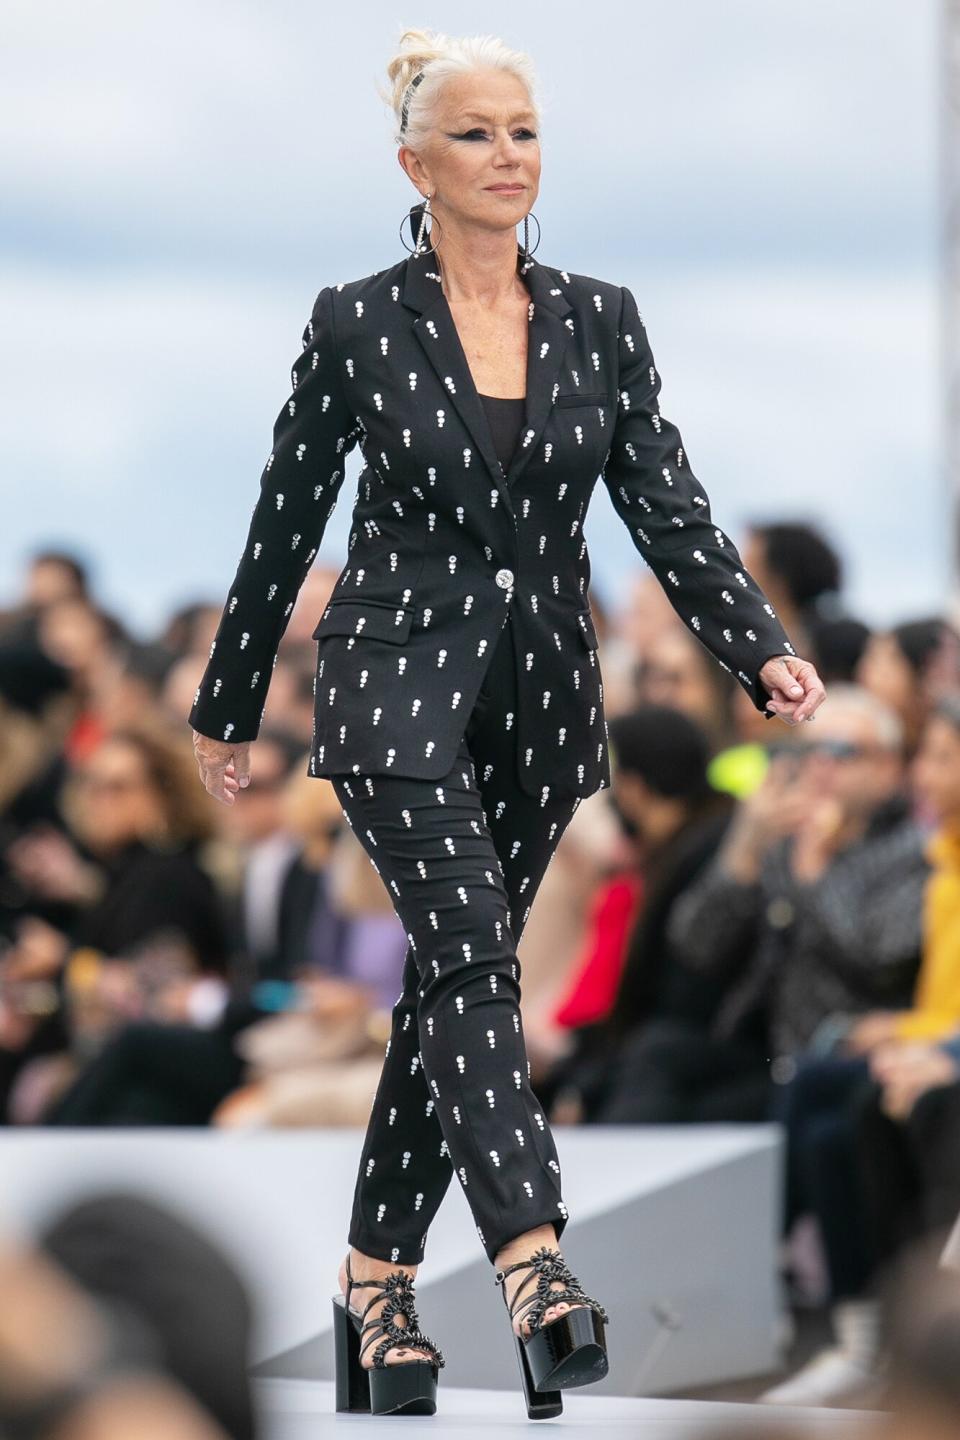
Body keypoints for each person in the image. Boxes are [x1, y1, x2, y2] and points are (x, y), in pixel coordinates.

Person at [185, 26, 825, 1417]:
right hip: (389, 686)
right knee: (476, 958)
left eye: (525, 131)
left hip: (540, 695)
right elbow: (286, 519)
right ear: (413, 162)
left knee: (446, 989)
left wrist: (756, 647)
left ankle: (374, 1285)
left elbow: (665, 502)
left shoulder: (600, 316)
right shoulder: (358, 319)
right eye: (476, 134)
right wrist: (230, 702)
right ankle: (536, 1260)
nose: (508, 157)